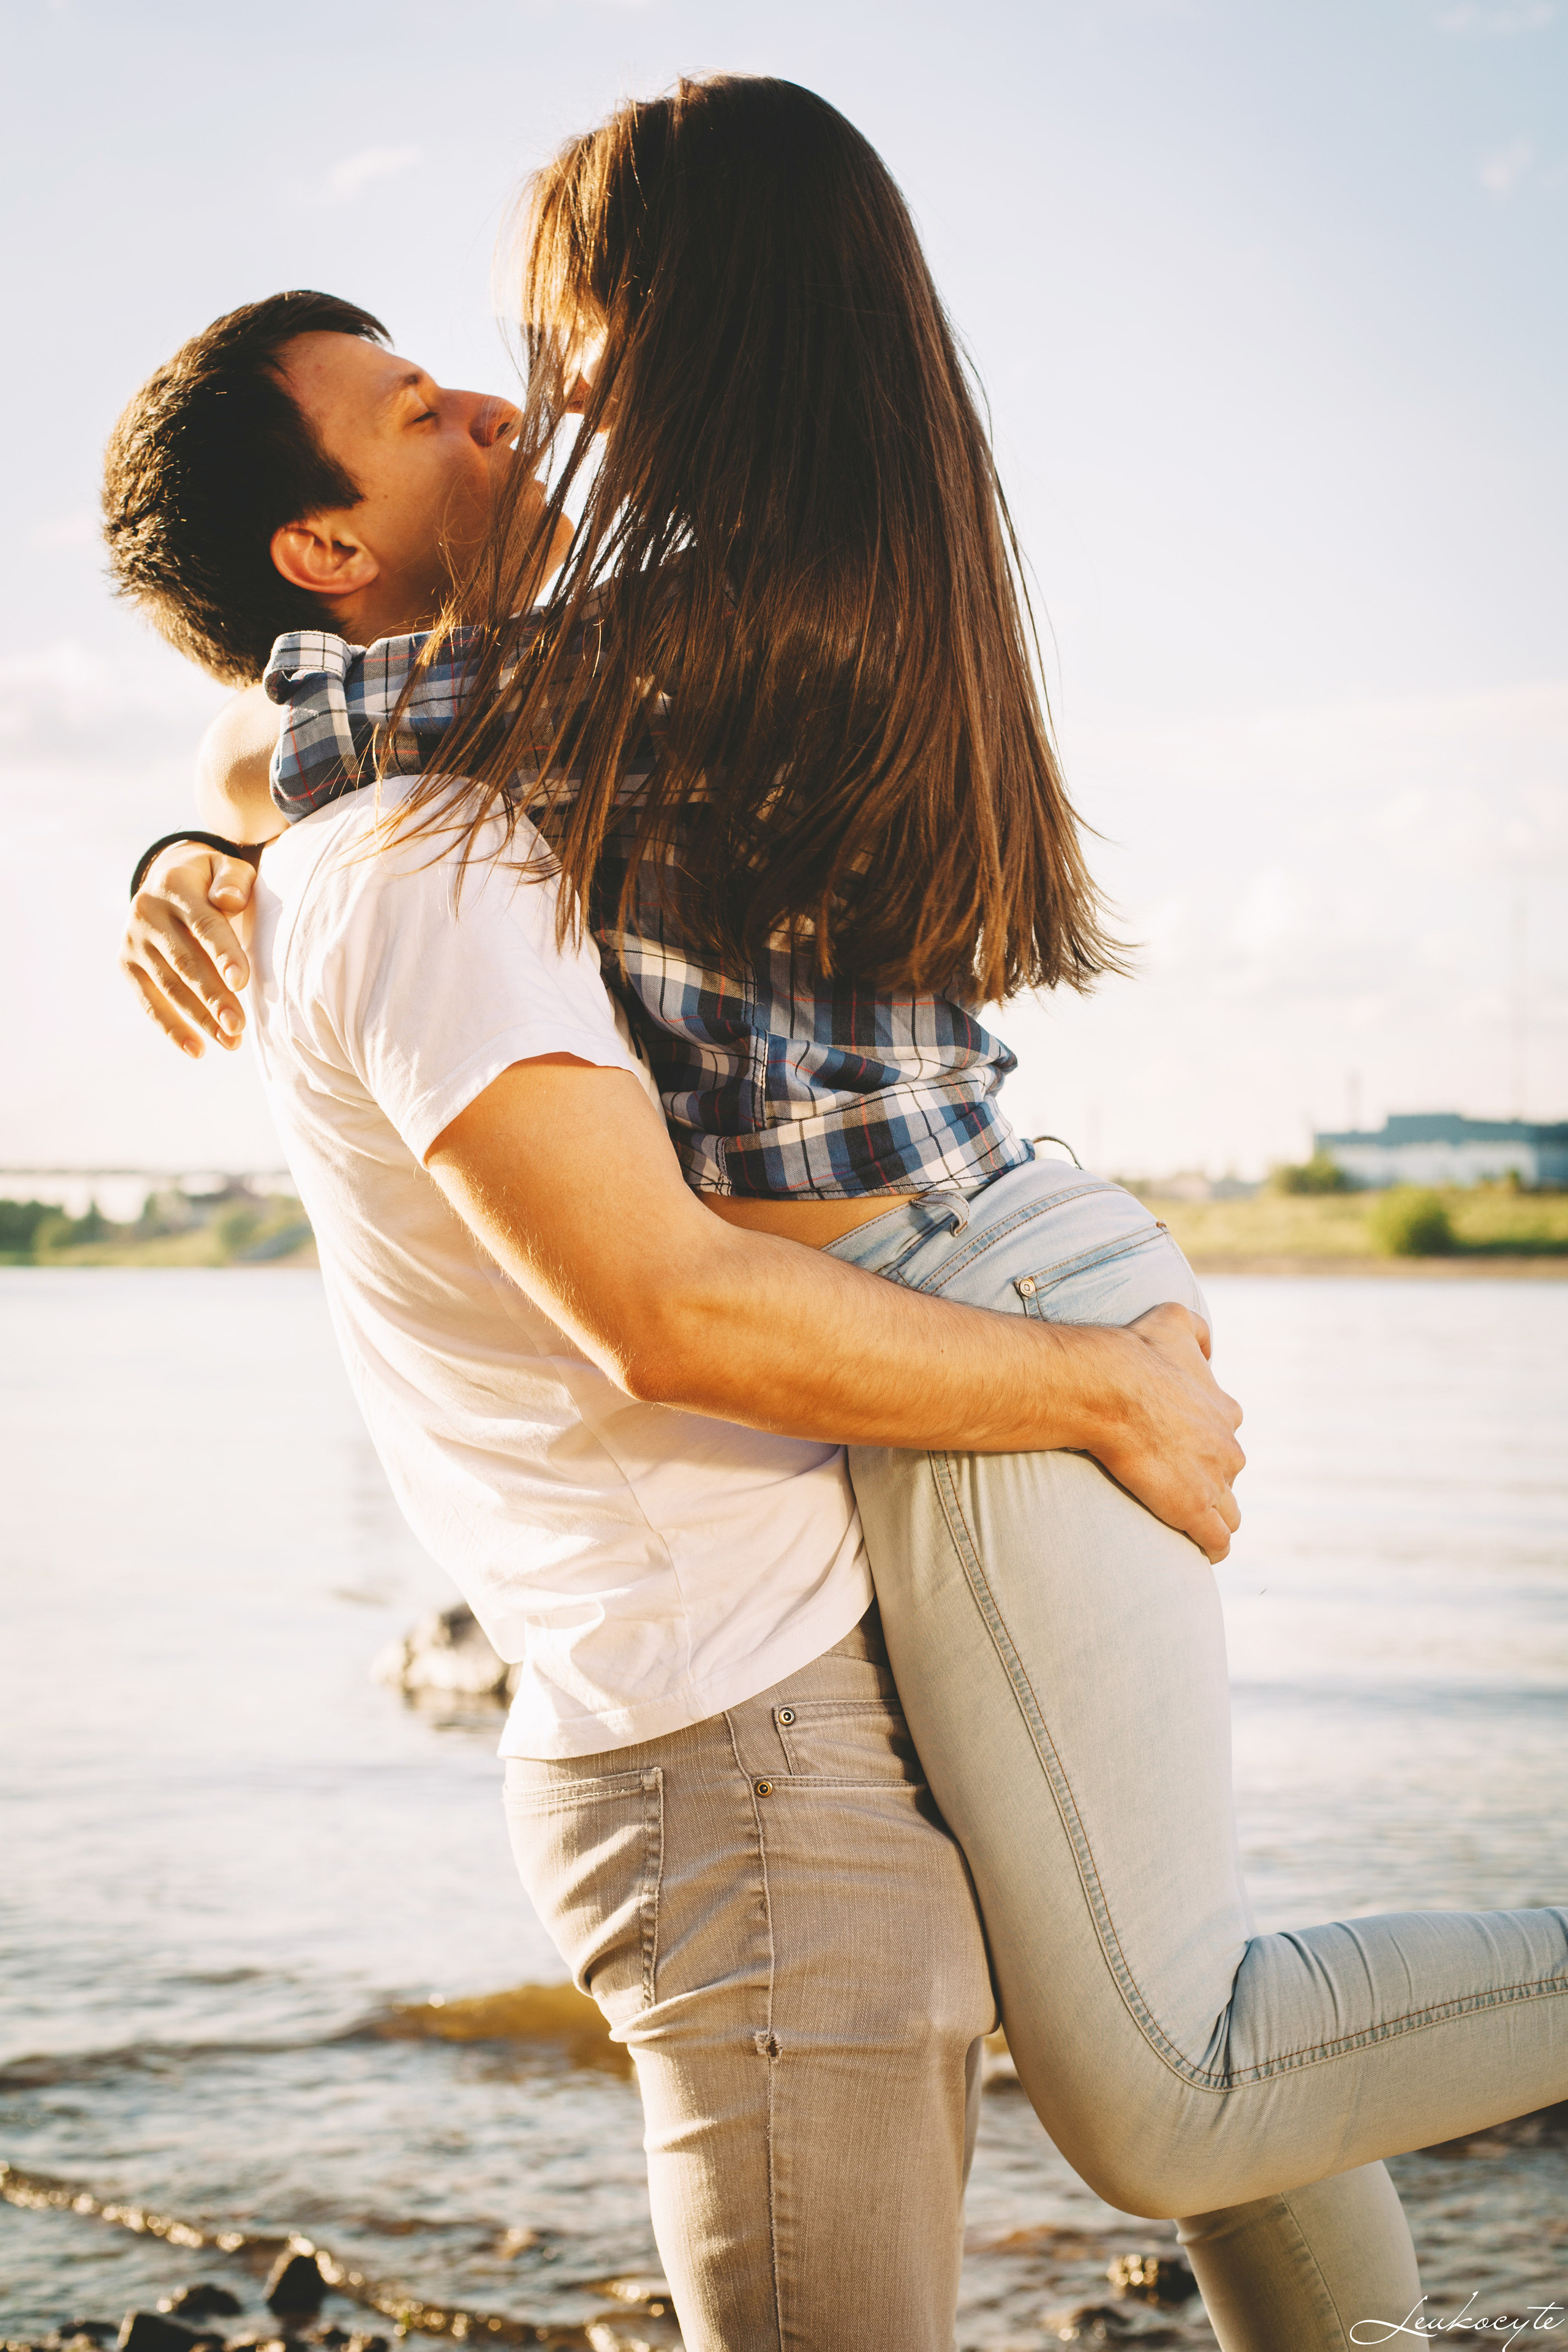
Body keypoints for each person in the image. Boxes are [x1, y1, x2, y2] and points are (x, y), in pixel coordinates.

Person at [110, 80, 1567, 2352]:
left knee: (1174, 2089)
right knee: (1204, 2035)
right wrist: (207, 843)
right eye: (455, 391)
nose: (532, 385)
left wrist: (210, 829)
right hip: (987, 1283)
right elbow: (304, 745)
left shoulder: (648, 668)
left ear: (692, 332)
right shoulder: (783, 599)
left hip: (969, 1311)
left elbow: (292, 742)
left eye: (566, 329)